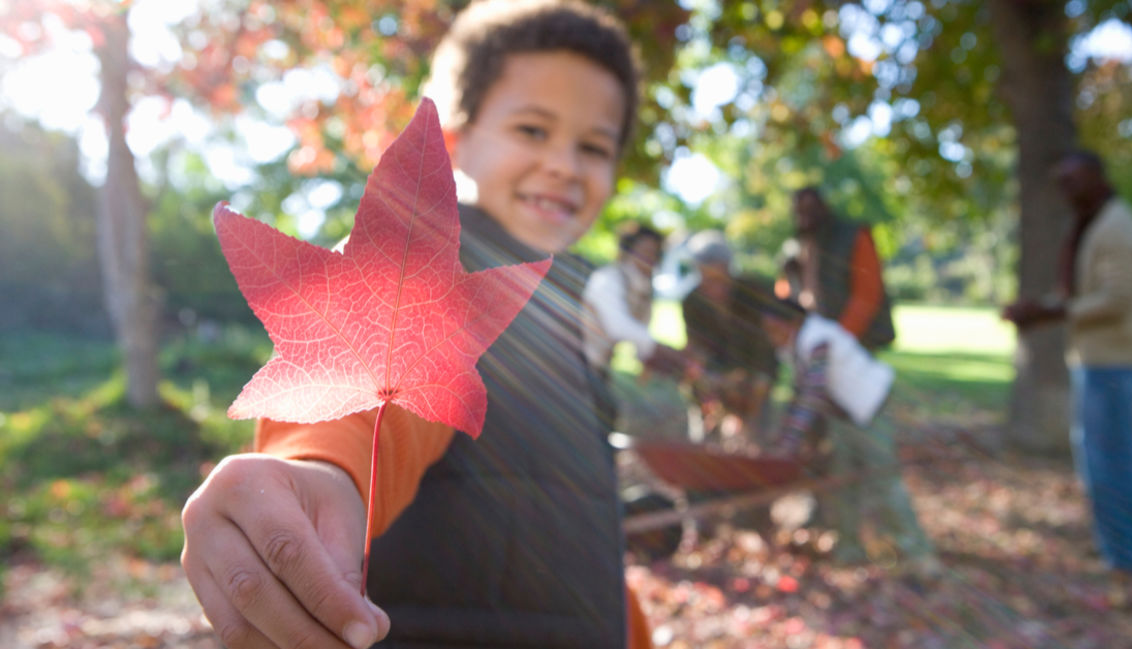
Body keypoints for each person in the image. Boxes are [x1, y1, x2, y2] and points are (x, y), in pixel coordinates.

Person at [179, 2, 657, 647]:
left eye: (593, 146)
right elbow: (367, 397)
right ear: (456, 140)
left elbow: (544, 512)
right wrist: (318, 473)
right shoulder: (428, 273)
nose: (565, 165)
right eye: (533, 130)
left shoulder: (558, 308)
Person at [1002, 150, 1132, 579]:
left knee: (1111, 461)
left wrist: (1053, 314)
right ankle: (1115, 549)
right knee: (1096, 460)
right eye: (1060, 182)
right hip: (1093, 360)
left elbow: (1117, 299)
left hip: (1112, 362)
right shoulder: (1090, 223)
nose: (1065, 190)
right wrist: (1039, 308)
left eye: (1073, 180)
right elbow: (1079, 294)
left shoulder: (1117, 225)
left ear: (1096, 177)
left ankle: (1129, 558)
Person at [760, 296, 935, 568]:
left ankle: (917, 553)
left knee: (883, 481)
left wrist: (788, 444)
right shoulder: (794, 345)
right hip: (843, 414)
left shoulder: (819, 339)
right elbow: (798, 395)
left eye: (775, 330)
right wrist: (785, 435)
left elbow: (811, 394)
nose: (772, 338)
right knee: (842, 481)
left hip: (870, 407)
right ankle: (849, 549)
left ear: (793, 323)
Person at [582, 222, 688, 429]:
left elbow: (641, 346)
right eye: (644, 252)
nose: (649, 259)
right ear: (628, 252)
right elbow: (619, 327)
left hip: (599, 371)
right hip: (572, 366)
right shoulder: (608, 279)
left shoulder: (644, 291)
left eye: (654, 253)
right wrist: (666, 351)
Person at [679, 231, 778, 444]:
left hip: (754, 376)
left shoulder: (754, 294)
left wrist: (749, 415)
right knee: (706, 438)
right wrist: (713, 398)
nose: (715, 289)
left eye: (720, 280)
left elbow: (766, 358)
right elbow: (697, 355)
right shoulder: (692, 303)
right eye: (708, 280)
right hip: (716, 378)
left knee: (754, 440)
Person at [791, 186, 895, 350]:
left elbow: (867, 293)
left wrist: (842, 335)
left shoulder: (851, 236)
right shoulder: (802, 245)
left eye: (809, 209)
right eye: (798, 210)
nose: (803, 217)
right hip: (818, 333)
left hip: (856, 339)